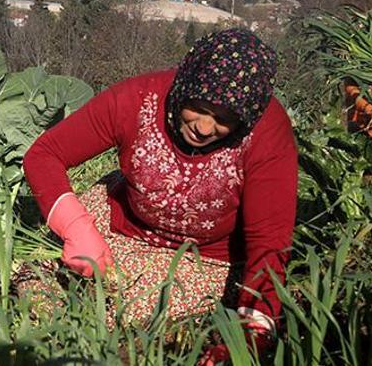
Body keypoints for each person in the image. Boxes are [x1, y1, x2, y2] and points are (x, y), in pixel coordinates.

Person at [22, 29, 297, 360]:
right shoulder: (139, 99)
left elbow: (269, 239)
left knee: (131, 325)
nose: (205, 128)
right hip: (122, 224)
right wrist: (76, 227)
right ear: (185, 86)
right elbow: (45, 155)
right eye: (198, 107)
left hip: (203, 259)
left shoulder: (266, 131)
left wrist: (253, 332)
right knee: (35, 276)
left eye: (224, 120)